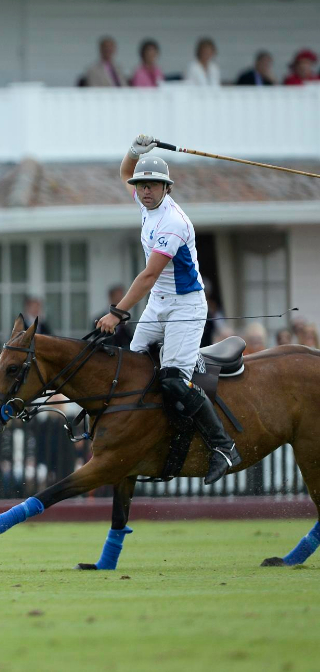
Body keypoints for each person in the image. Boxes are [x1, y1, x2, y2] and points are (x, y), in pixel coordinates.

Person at [96, 134, 240, 485]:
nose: (145, 190)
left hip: (186, 306)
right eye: (142, 185)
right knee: (131, 369)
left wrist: (116, 312)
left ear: (166, 188)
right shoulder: (145, 205)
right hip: (158, 305)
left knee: (174, 379)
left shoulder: (173, 222)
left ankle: (223, 446)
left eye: (153, 185)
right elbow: (125, 172)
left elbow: (147, 276)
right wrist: (135, 149)